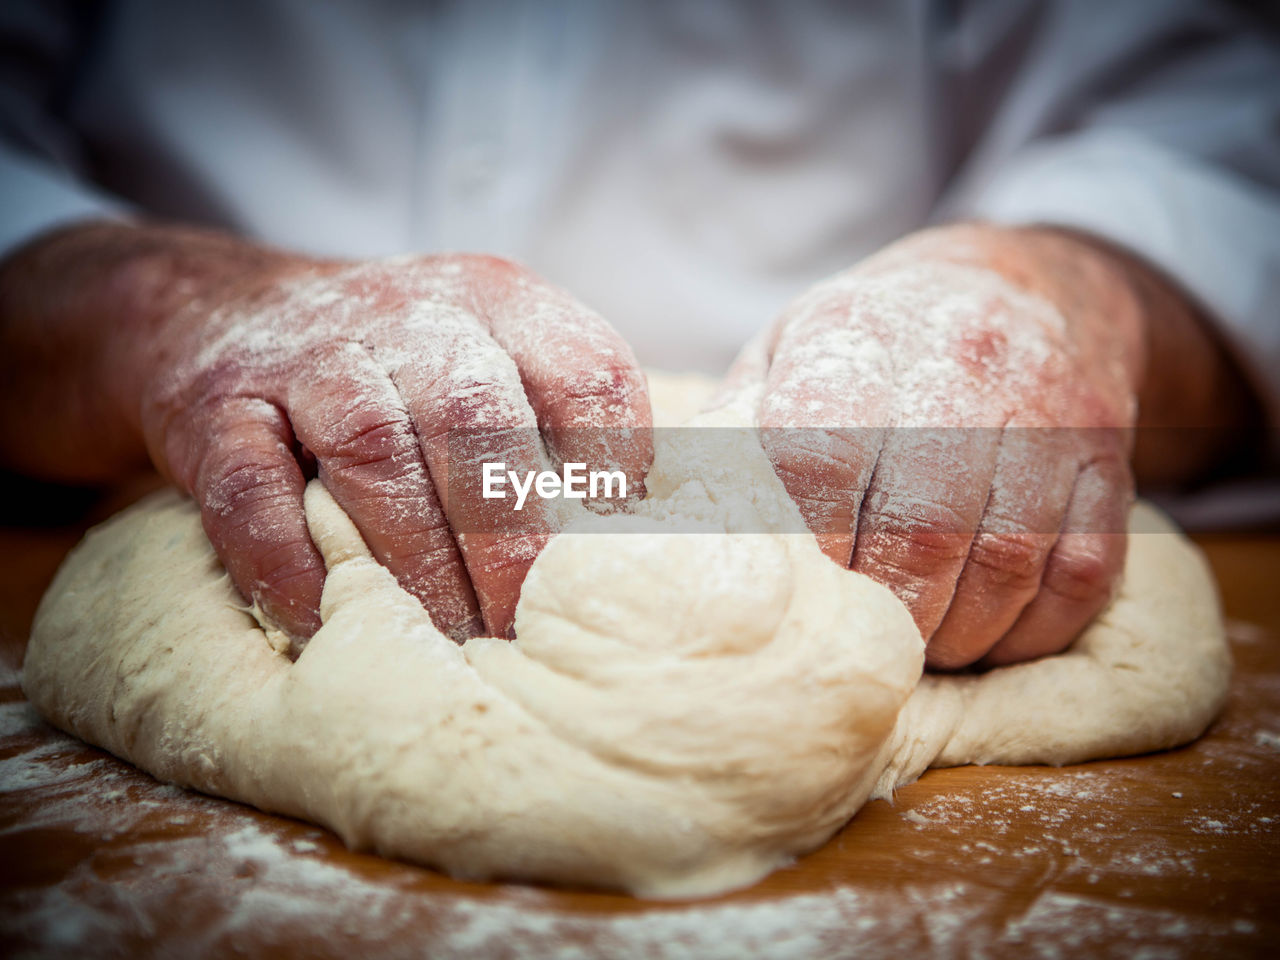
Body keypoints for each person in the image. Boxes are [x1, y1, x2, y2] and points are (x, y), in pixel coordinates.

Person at [1, 1, 1275, 668]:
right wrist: (138, 304)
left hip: (911, 506)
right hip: (149, 484)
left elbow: (1222, 132)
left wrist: (1067, 286)